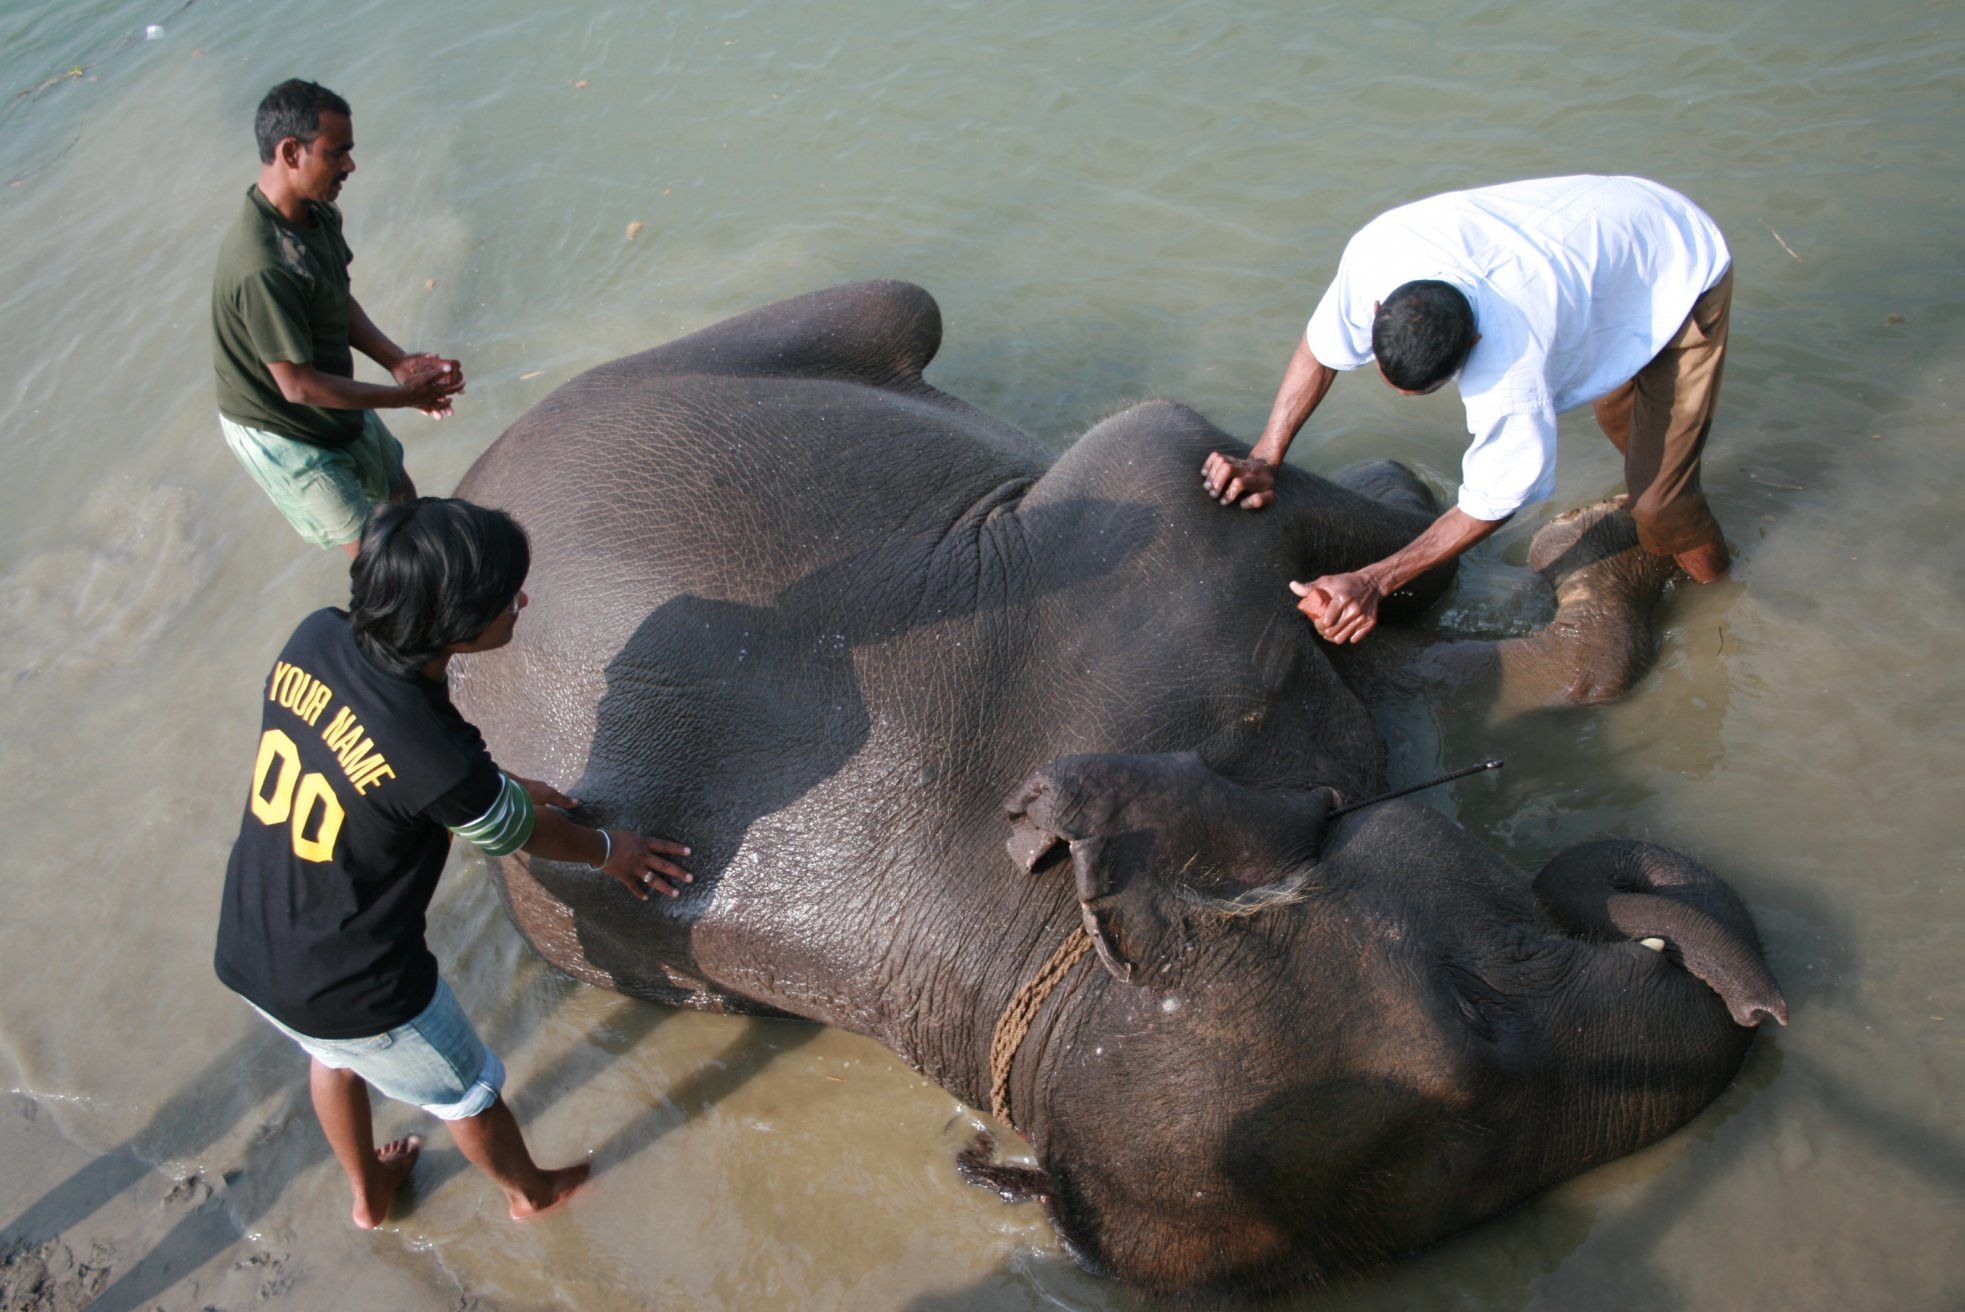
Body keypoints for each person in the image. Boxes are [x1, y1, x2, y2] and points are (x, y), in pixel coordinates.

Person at [215, 498, 694, 1228]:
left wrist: (482, 789)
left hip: (255, 938)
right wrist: (610, 851)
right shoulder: (433, 757)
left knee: (333, 1059)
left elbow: (377, 764)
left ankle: (368, 1194)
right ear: (456, 628)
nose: (521, 601)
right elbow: (519, 835)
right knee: (467, 1093)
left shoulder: (315, 638)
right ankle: (532, 1193)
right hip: (361, 985)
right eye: (507, 597)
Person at [1202, 174, 1735, 645]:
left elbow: (1499, 495)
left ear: (1476, 342)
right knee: (1627, 430)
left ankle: (1723, 599)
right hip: (1602, 240)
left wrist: (1373, 581)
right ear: (1376, 310)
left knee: (1662, 501)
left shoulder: (1512, 360)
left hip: (1677, 267)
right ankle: (1662, 496)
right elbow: (1321, 349)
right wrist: (1265, 458)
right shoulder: (1376, 255)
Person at [211, 79, 467, 556]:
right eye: (337, 153)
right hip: (281, 426)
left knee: (400, 498)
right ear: (291, 152)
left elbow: (336, 300)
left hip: (321, 389)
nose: (350, 166)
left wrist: (397, 361)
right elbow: (297, 387)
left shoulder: (317, 214)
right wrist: (401, 398)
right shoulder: (262, 265)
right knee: (377, 556)